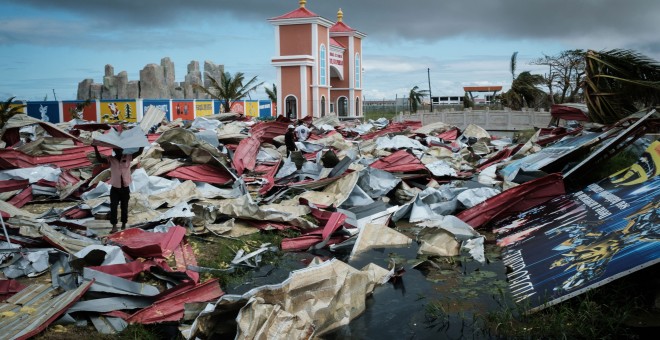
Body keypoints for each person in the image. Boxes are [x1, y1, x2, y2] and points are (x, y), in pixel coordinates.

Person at [94, 146, 143, 233]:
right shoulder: (111, 159)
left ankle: (123, 225)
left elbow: (139, 152)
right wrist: (95, 148)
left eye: (120, 150)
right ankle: (114, 226)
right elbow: (100, 160)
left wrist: (142, 143)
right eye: (116, 150)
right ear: (114, 151)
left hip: (125, 188)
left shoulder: (128, 157)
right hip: (115, 188)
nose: (118, 152)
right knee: (113, 207)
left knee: (124, 207)